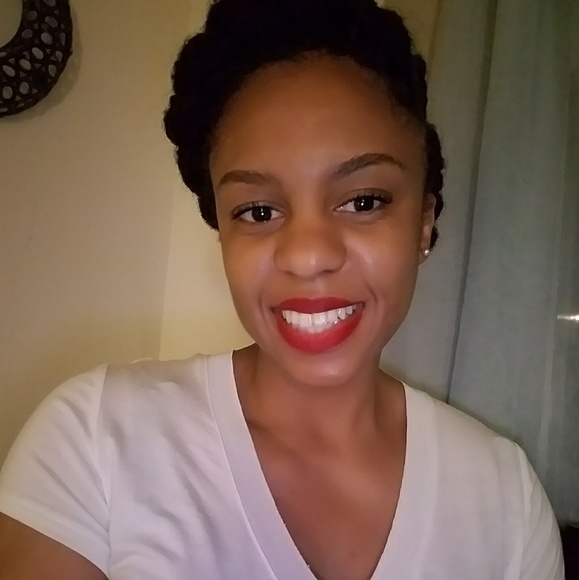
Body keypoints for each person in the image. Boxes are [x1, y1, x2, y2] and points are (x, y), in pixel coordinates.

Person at [0, 0, 565, 578]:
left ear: (423, 222)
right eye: (258, 211)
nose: (308, 255)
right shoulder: (96, 438)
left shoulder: (506, 500)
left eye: (363, 201)